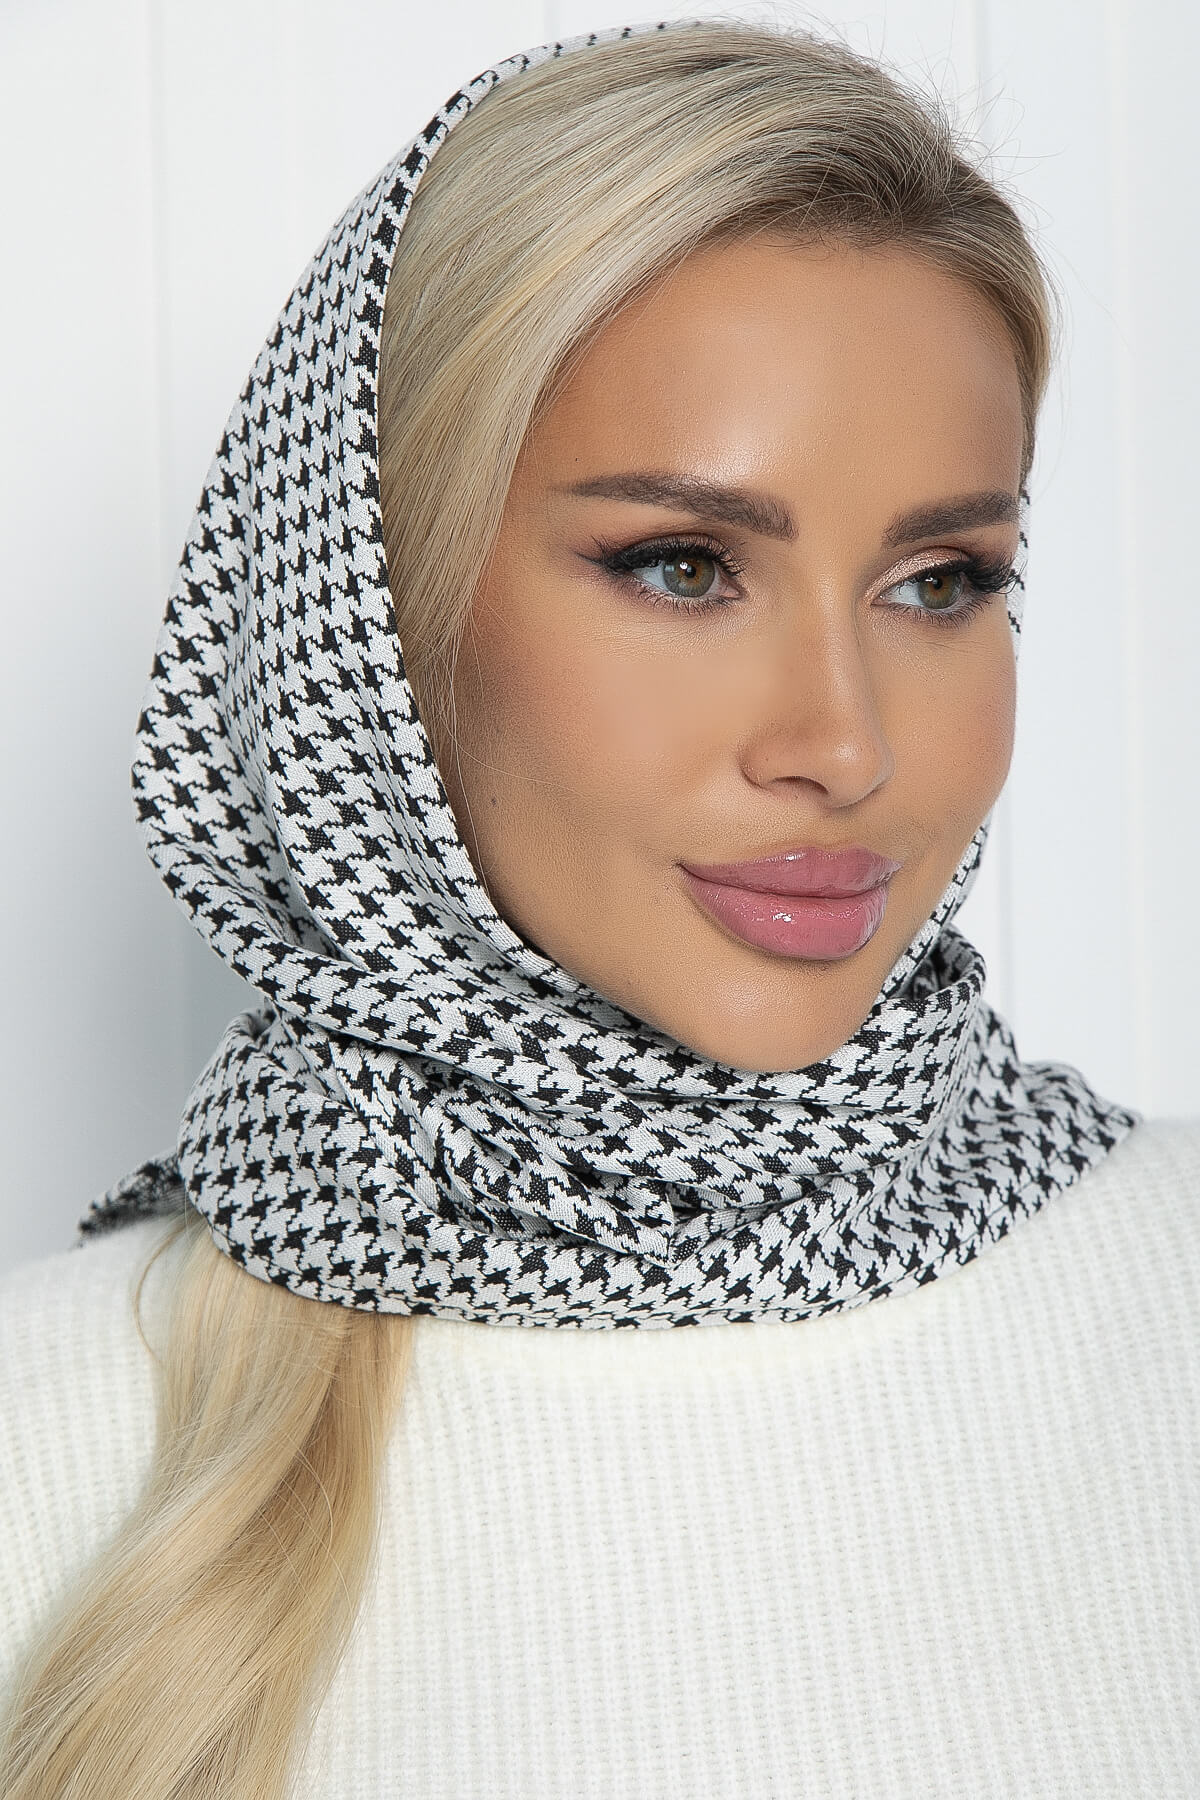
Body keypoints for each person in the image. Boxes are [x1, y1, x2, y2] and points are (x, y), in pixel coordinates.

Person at [1, 18, 1196, 1799]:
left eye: (942, 582)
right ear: (379, 621)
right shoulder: (49, 1443)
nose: (845, 745)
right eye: (685, 566)